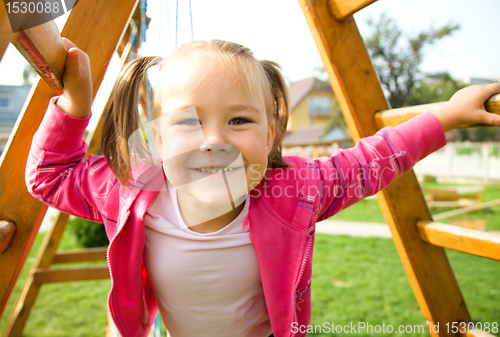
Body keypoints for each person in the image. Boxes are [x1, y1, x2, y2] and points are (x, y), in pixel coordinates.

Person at [25, 37, 500, 337]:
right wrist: (74, 105)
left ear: (271, 134)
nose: (215, 141)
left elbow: (369, 161)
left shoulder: (292, 191)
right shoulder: (130, 193)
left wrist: (446, 115)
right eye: (189, 121)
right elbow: (49, 176)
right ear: (160, 138)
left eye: (239, 120)